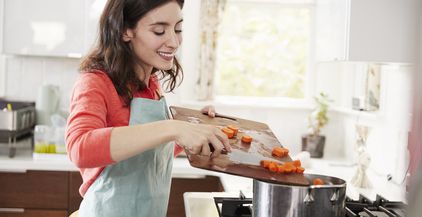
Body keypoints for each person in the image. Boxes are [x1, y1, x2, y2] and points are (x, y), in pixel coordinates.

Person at [65, 0, 231, 216]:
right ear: (125, 30)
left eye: (178, 29)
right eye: (159, 31)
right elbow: (80, 148)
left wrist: (195, 129)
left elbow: (148, 155)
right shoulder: (95, 82)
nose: (174, 41)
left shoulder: (151, 85)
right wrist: (173, 128)